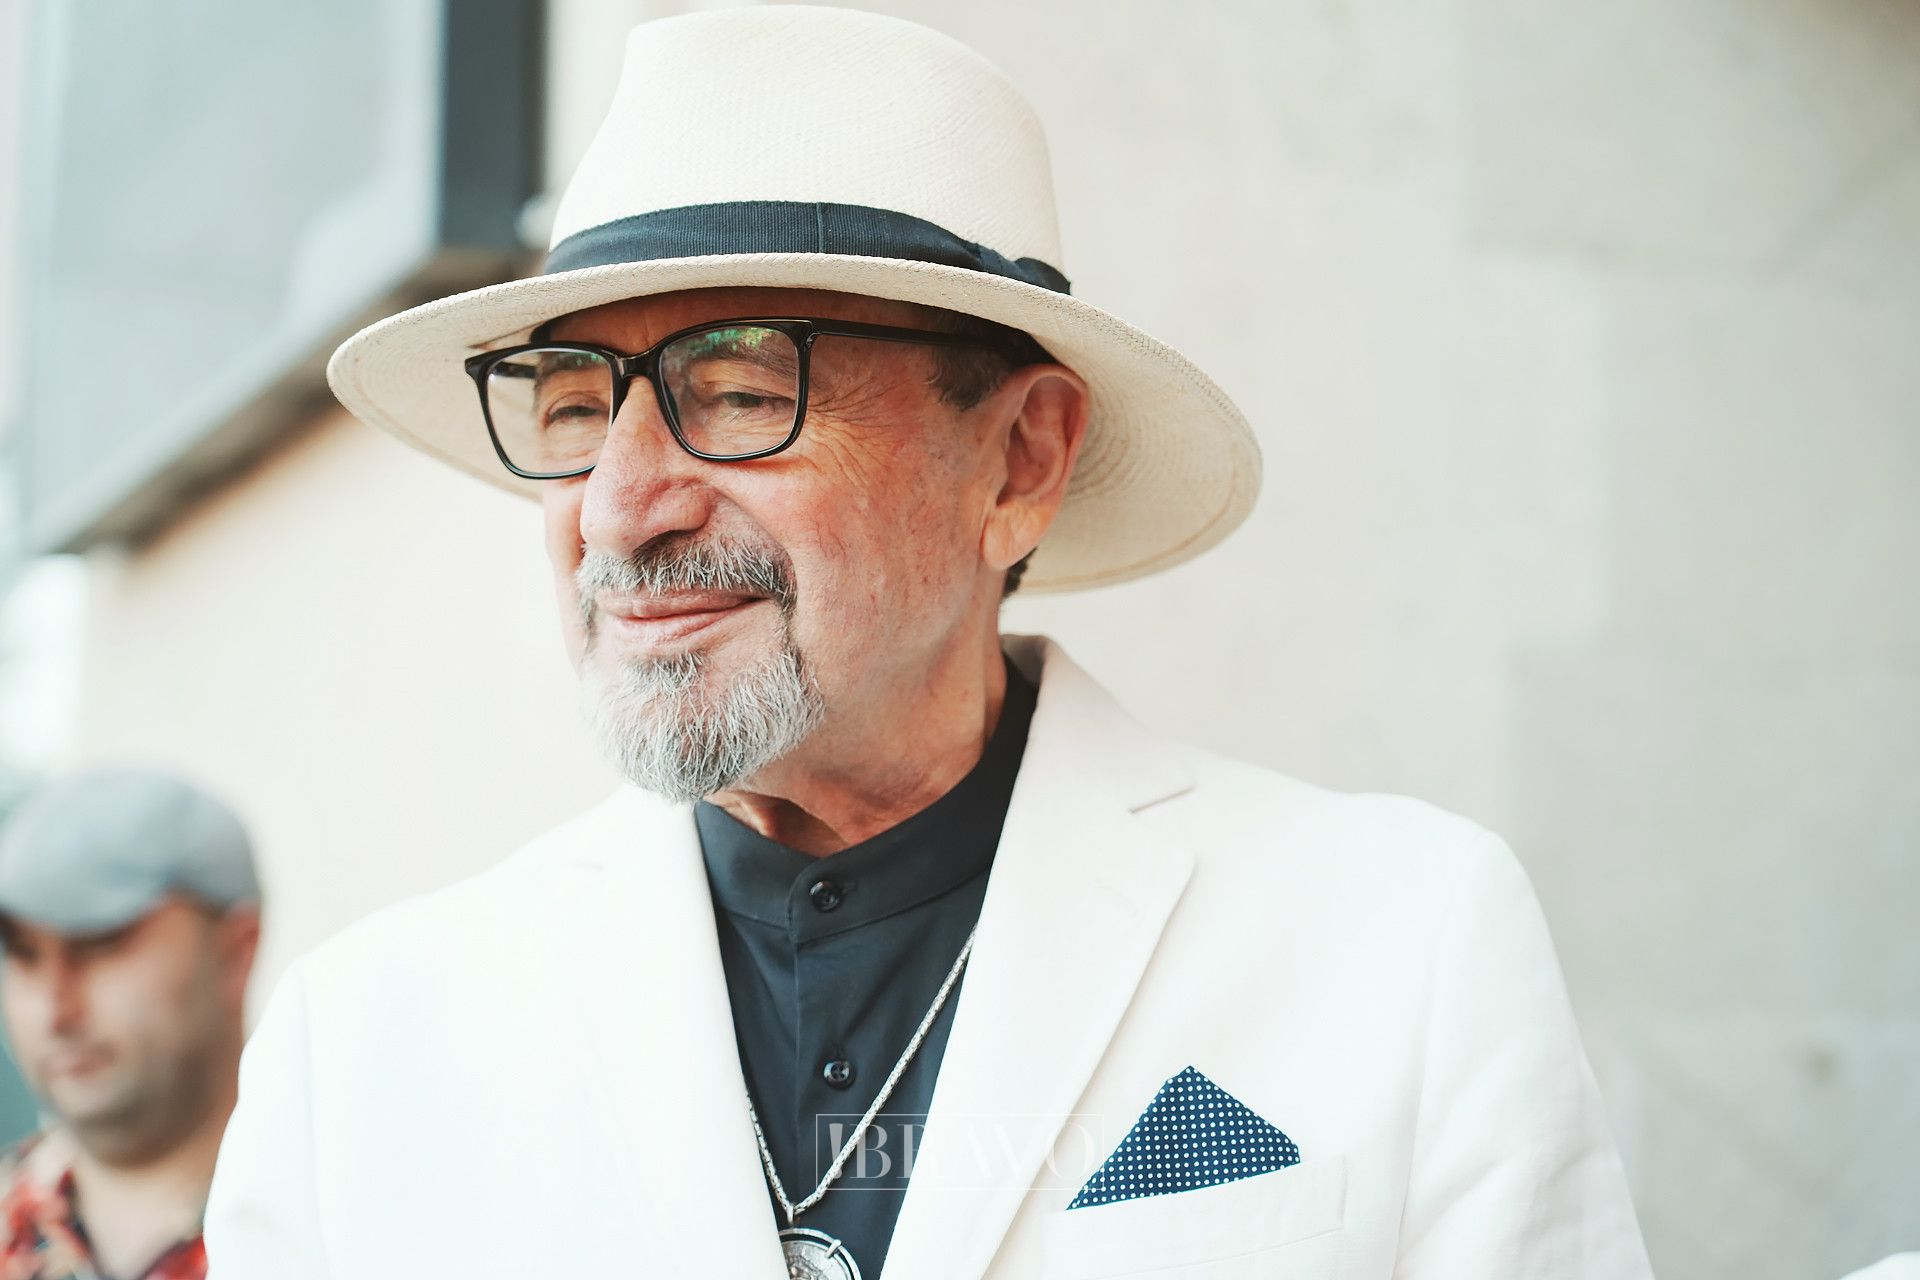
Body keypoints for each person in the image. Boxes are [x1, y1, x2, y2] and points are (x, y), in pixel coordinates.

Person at [204, 7, 1654, 1278]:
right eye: (575, 407)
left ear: (1020, 461)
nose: (621, 507)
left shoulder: (1400, 942)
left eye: (739, 388)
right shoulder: (363, 1053)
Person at [0, 769, 263, 1280]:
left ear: (235, 950)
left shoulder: (339, 1222)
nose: (56, 1011)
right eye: (24, 954)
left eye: (99, 945)